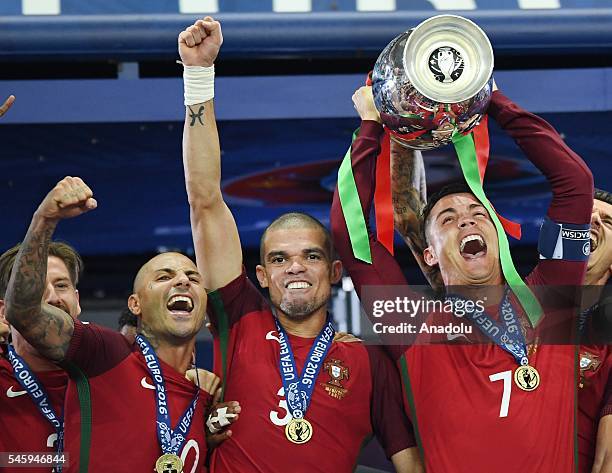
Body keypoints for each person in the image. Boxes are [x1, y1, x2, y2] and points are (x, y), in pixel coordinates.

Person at [179, 17, 422, 472]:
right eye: (279, 258)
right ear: (262, 276)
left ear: (334, 272)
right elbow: (205, 200)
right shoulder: (240, 320)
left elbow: (410, 462)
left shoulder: (368, 360)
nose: (295, 267)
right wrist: (198, 75)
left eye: (311, 256)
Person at [331, 84, 594, 472]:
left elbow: (575, 183)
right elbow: (349, 234)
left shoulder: (551, 299)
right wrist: (370, 125)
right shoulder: (413, 325)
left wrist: (493, 99)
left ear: (497, 234)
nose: (467, 219)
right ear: (429, 254)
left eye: (478, 212)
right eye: (448, 220)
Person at [390, 144, 612, 472]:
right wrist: (403, 127)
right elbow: (411, 219)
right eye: (584, 217)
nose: (590, 224)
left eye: (607, 221)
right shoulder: (507, 299)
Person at [4, 176, 224, 472]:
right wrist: (44, 219)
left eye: (193, 278)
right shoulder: (105, 354)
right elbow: (26, 311)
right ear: (135, 304)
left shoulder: (205, 392)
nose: (183, 280)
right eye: (163, 277)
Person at [0, 242, 82, 470]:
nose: (52, 297)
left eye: (61, 285)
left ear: (77, 301)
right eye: (34, 287)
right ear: (5, 312)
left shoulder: (114, 377)